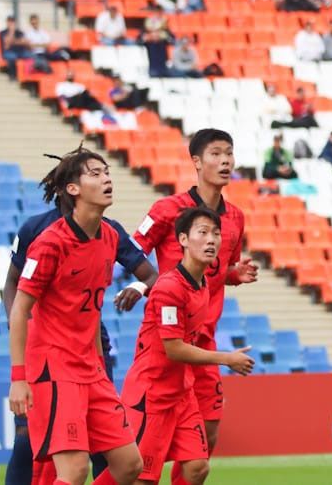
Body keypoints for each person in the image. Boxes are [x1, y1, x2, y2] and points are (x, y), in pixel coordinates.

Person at [3, 148, 159, 485]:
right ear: (73, 189)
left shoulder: (110, 236)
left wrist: (100, 368)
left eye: (107, 171)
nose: (107, 178)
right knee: (72, 470)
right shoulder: (49, 243)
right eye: (95, 173)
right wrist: (19, 378)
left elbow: (90, 314)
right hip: (54, 368)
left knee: (130, 465)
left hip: (91, 368)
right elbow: (19, 309)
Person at [130, 130, 257, 483]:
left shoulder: (235, 218)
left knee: (206, 442)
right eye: (216, 153)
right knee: (143, 465)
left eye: (230, 153)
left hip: (204, 343)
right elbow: (130, 249)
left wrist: (235, 274)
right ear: (197, 162)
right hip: (167, 344)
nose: (226, 161)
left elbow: (217, 269)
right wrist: (144, 283)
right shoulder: (167, 210)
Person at [106, 207, 254, 485]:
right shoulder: (169, 288)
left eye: (216, 234)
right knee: (140, 478)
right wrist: (226, 358)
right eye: (203, 233)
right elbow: (173, 349)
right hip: (151, 394)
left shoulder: (201, 284)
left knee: (198, 467)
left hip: (180, 392)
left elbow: (219, 278)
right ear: (183, 240)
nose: (211, 240)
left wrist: (233, 275)